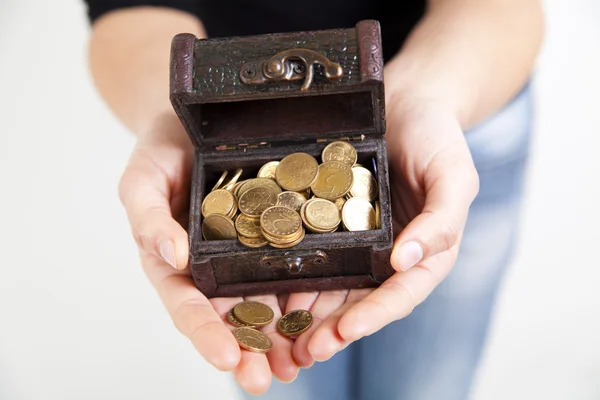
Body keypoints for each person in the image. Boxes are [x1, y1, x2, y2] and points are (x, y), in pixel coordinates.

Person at [83, 1, 543, 398]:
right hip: (228, 121)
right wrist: (168, 120)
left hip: (464, 94)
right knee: (286, 380)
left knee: (429, 388)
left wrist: (428, 93)